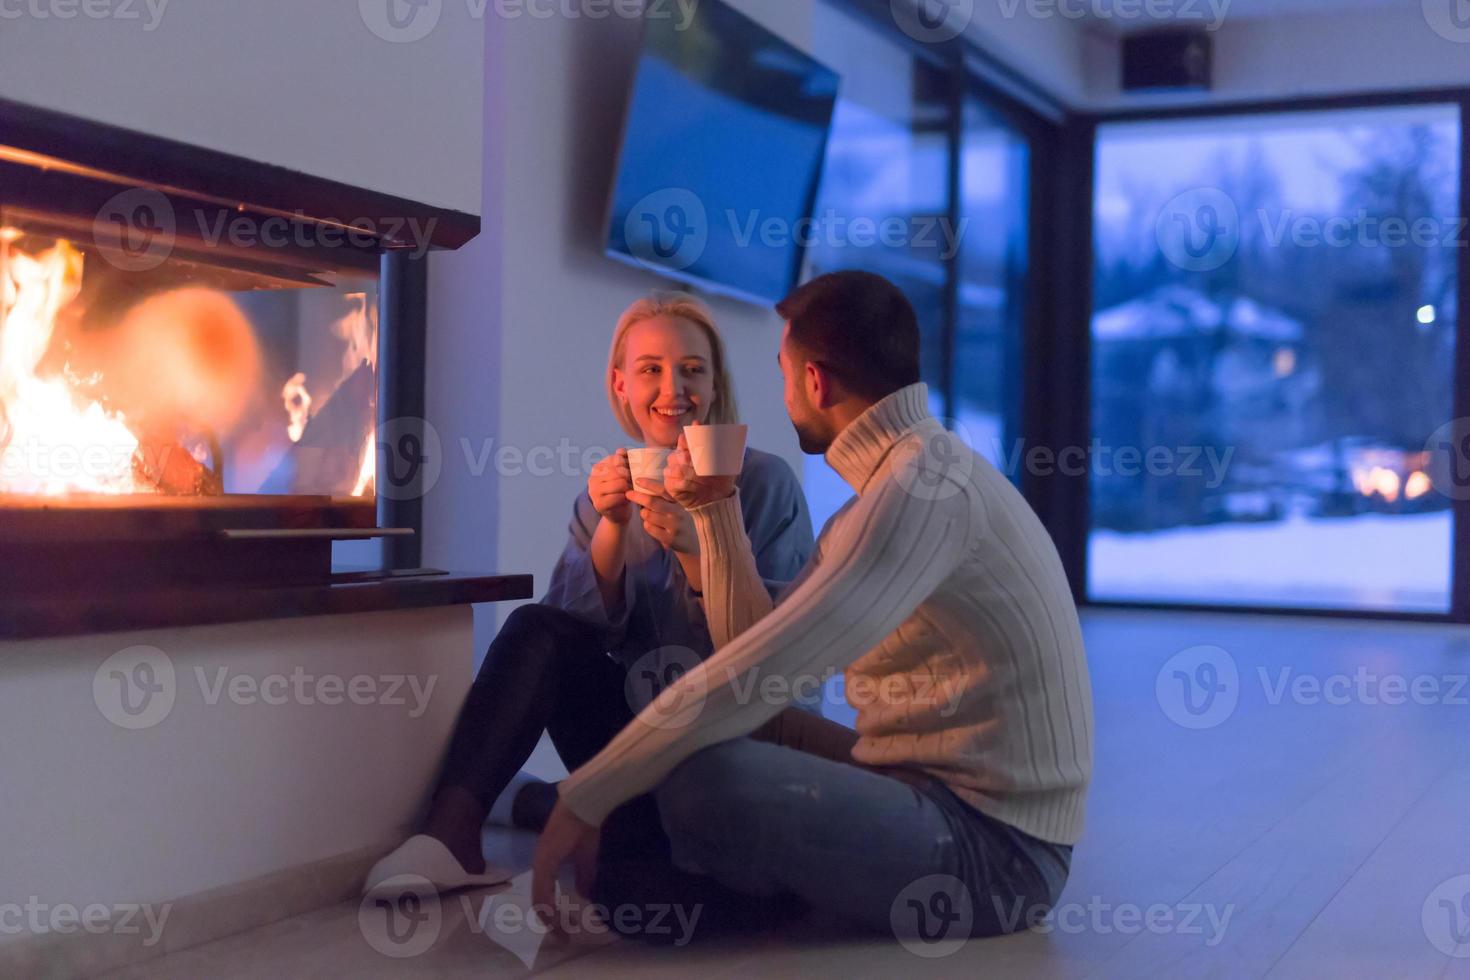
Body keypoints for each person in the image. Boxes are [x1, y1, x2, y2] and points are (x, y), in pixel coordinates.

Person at [532, 270, 1095, 943]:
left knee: (706, 782)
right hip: (912, 776)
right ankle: (678, 875)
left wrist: (586, 794)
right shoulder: (902, 482)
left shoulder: (920, 494)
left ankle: (693, 886)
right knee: (718, 741)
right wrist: (714, 510)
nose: (783, 390)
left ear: (817, 384)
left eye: (783, 373)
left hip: (998, 855)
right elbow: (757, 649)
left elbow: (760, 673)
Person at [368, 292, 813, 888]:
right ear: (621, 383)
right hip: (630, 737)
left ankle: (544, 804)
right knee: (534, 625)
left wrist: (698, 543)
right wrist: (613, 526)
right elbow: (568, 637)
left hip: (733, 744)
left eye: (692, 369)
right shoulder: (606, 492)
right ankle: (450, 837)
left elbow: (777, 655)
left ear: (714, 384)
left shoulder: (763, 483)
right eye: (650, 369)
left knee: (630, 879)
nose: (672, 389)